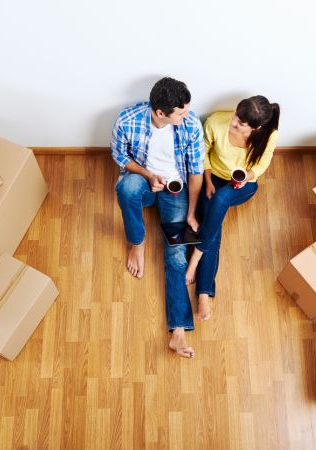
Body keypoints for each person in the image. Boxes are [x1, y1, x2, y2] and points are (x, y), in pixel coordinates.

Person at [111, 77, 205, 358]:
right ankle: (136, 242)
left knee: (176, 254)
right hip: (145, 182)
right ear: (161, 112)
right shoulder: (127, 121)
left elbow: (196, 170)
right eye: (181, 112)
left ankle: (177, 330)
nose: (187, 115)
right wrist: (148, 175)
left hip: (175, 191)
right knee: (126, 188)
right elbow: (119, 156)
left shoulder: (191, 125)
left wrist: (190, 212)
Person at [186, 96, 280, 320]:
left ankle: (195, 260)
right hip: (214, 179)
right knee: (214, 225)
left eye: (241, 123)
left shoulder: (269, 135)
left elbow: (262, 165)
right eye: (236, 116)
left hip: (242, 185)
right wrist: (208, 181)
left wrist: (247, 175)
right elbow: (204, 154)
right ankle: (204, 294)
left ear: (256, 127)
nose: (234, 123)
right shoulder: (216, 122)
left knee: (219, 202)